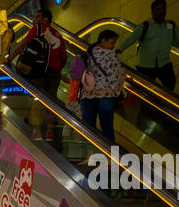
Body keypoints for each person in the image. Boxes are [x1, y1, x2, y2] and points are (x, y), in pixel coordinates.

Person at [116, 0, 179, 92]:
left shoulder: (170, 25)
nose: (162, 11)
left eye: (164, 9)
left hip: (163, 64)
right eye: (159, 9)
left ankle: (164, 105)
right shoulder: (145, 26)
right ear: (153, 11)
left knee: (170, 83)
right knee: (145, 91)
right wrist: (118, 51)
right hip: (145, 65)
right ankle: (148, 105)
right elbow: (130, 39)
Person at [14, 9, 67, 140]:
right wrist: (59, 69)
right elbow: (64, 56)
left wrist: (9, 59)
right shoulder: (58, 34)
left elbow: (23, 45)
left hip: (42, 69)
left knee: (38, 99)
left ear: (45, 20)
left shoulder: (38, 29)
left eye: (37, 17)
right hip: (55, 71)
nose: (34, 20)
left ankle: (37, 131)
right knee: (51, 102)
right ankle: (49, 131)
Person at [73, 30, 125, 144]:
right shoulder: (110, 54)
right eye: (112, 43)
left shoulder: (86, 54)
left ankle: (89, 155)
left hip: (87, 95)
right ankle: (110, 156)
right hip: (105, 95)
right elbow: (115, 75)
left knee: (88, 128)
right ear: (103, 41)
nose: (113, 46)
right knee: (107, 128)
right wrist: (120, 92)